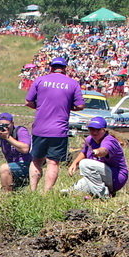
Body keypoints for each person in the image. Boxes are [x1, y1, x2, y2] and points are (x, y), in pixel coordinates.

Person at [25, 56, 84, 192]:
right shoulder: (72, 83)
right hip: (59, 129)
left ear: (51, 67)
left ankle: (32, 190)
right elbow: (80, 105)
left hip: (40, 128)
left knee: (36, 160)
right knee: (53, 162)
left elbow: (28, 101)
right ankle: (46, 192)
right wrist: (69, 107)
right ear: (65, 69)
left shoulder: (40, 80)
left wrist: (40, 107)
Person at [66, 117, 129, 199]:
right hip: (102, 175)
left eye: (97, 130)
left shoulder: (109, 140)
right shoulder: (89, 140)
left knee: (85, 164)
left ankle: (103, 195)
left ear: (104, 130)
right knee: (74, 190)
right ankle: (96, 193)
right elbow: (84, 152)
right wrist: (74, 163)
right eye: (91, 129)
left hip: (116, 177)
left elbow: (104, 150)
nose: (94, 132)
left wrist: (97, 152)